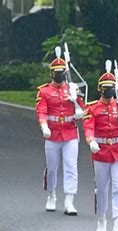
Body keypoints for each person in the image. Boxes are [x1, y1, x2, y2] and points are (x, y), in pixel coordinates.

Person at [82, 68, 118, 231]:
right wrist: (91, 141)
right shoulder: (92, 108)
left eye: (111, 87)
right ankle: (101, 219)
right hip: (101, 152)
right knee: (102, 188)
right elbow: (88, 126)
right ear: (100, 89)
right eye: (106, 87)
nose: (109, 90)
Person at [35, 54, 84, 215]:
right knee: (52, 167)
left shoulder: (72, 88)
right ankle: (51, 194)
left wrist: (77, 103)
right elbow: (41, 111)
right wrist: (44, 126)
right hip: (53, 132)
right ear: (52, 74)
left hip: (70, 131)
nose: (59, 75)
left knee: (71, 166)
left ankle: (70, 200)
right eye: (56, 72)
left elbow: (83, 110)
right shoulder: (45, 91)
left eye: (62, 72)